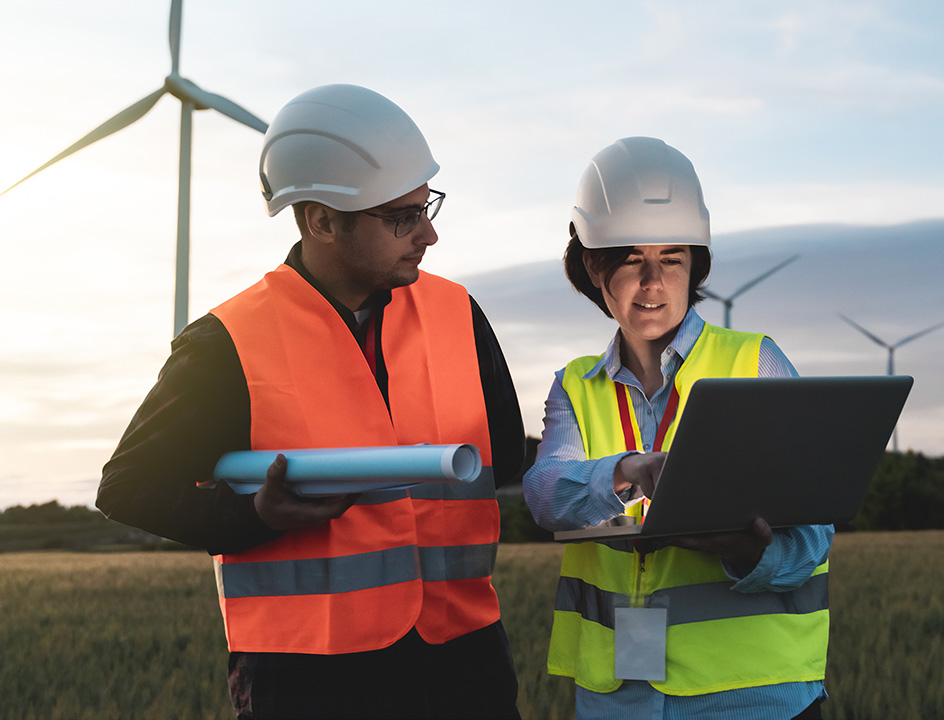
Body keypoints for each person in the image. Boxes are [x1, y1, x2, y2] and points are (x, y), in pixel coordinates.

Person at [97, 84, 524, 720]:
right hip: (308, 683)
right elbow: (128, 487)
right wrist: (256, 517)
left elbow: (508, 459)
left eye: (426, 206)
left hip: (465, 666)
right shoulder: (227, 343)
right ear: (321, 220)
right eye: (400, 217)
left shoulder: (457, 312)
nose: (428, 233)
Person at [523, 137, 832, 719]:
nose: (653, 282)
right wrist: (628, 470)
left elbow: (812, 539)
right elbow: (544, 496)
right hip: (617, 699)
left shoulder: (756, 362)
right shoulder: (575, 386)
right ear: (593, 265)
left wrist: (747, 552)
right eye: (630, 258)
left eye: (672, 258)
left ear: (695, 266)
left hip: (750, 699)